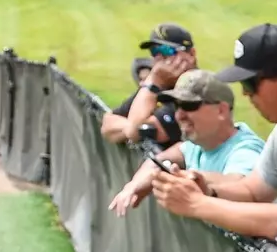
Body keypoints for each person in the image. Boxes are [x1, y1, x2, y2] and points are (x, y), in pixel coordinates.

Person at [152, 23, 277, 240]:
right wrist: (207, 189)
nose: (245, 93)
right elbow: (253, 192)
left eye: (250, 83)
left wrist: (196, 203)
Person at [108, 71, 263, 217]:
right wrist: (135, 184)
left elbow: (243, 185)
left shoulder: (245, 150)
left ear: (221, 111)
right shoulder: (199, 143)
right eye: (177, 106)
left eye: (189, 105)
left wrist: (187, 177)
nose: (179, 115)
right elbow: (164, 159)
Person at [100, 23, 195, 145]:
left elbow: (133, 133)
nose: (160, 58)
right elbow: (107, 125)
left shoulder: (195, 89)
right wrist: (133, 127)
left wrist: (154, 82)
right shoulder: (159, 84)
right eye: (155, 51)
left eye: (167, 50)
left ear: (191, 54)